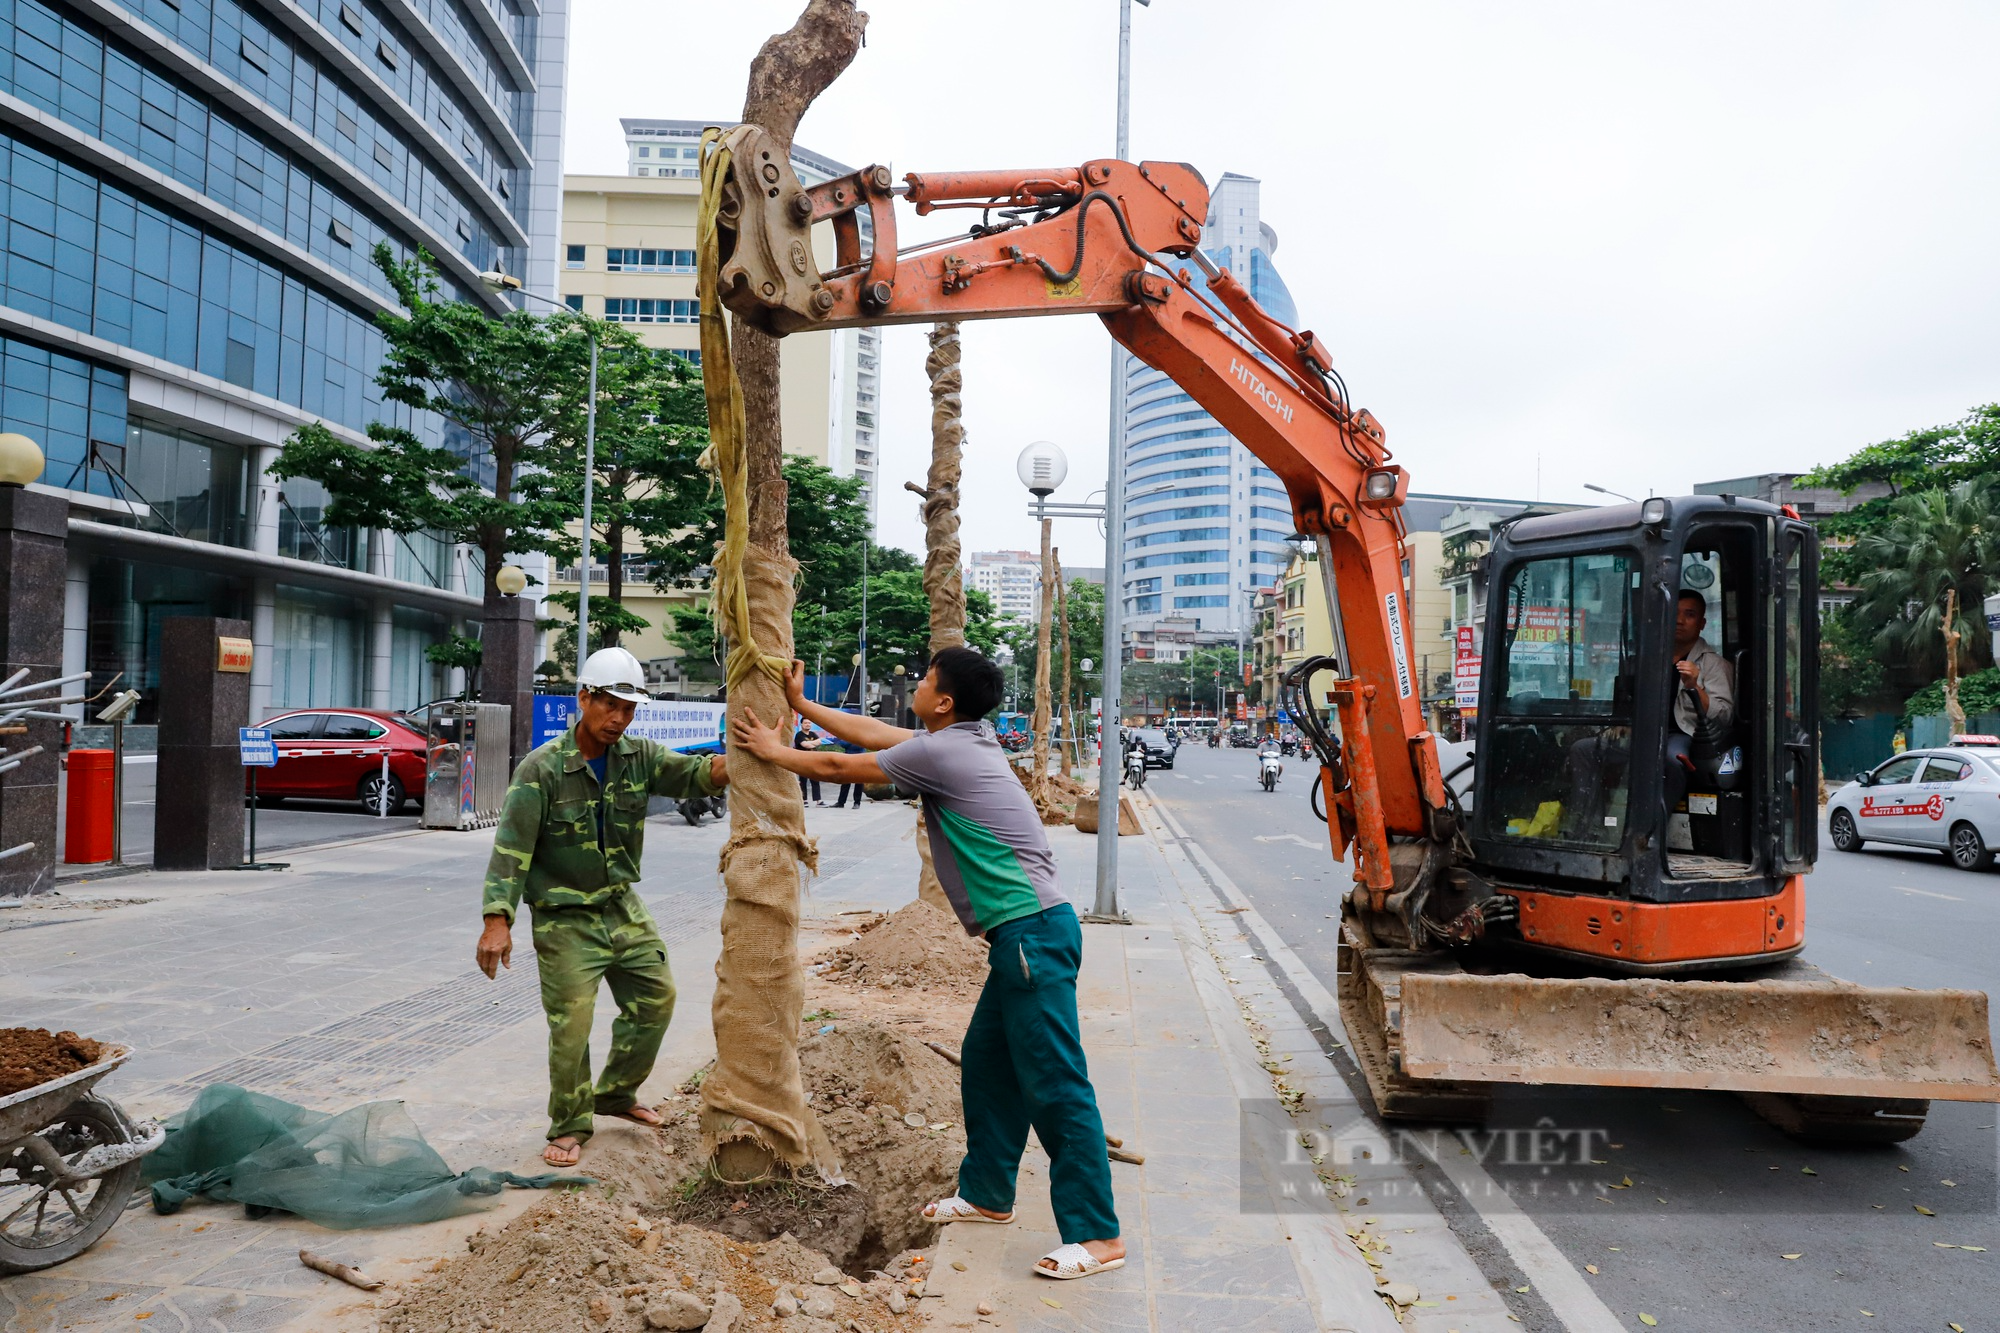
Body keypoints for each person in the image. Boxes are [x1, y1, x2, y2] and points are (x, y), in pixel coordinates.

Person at [732, 648, 1125, 1281]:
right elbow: (876, 735)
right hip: (1022, 938)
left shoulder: (945, 753)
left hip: (1033, 936)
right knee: (990, 1069)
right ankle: (989, 1195)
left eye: (926, 680)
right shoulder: (959, 740)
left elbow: (843, 763)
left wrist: (775, 752)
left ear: (943, 702)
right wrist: (803, 706)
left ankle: (1098, 1235)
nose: (917, 684)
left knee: (1055, 1084)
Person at [476, 646, 729, 1168]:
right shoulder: (541, 770)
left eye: (629, 709)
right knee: (572, 1025)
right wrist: (496, 921)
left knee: (657, 998)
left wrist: (752, 751)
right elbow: (511, 849)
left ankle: (615, 1093)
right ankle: (569, 1123)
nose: (619, 718)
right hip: (564, 917)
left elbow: (699, 775)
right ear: (583, 698)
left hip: (620, 906)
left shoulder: (639, 757)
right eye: (610, 705)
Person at [1666, 589, 1734, 807]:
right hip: (1646, 733)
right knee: (1584, 749)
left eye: (1689, 614)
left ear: (1702, 623)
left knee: (1671, 760)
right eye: (1674, 613)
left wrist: (1694, 686)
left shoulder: (1714, 664)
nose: (1679, 620)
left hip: (1683, 733)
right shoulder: (1650, 657)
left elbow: (1724, 716)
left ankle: (1653, 830)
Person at [793, 724, 825, 805]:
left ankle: (818, 800)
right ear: (802, 724)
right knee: (803, 780)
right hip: (802, 760)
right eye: (806, 723)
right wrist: (813, 743)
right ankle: (804, 800)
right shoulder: (799, 735)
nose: (808, 725)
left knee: (815, 779)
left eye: (809, 723)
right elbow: (805, 745)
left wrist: (809, 743)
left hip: (813, 760)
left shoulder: (813, 734)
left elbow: (820, 741)